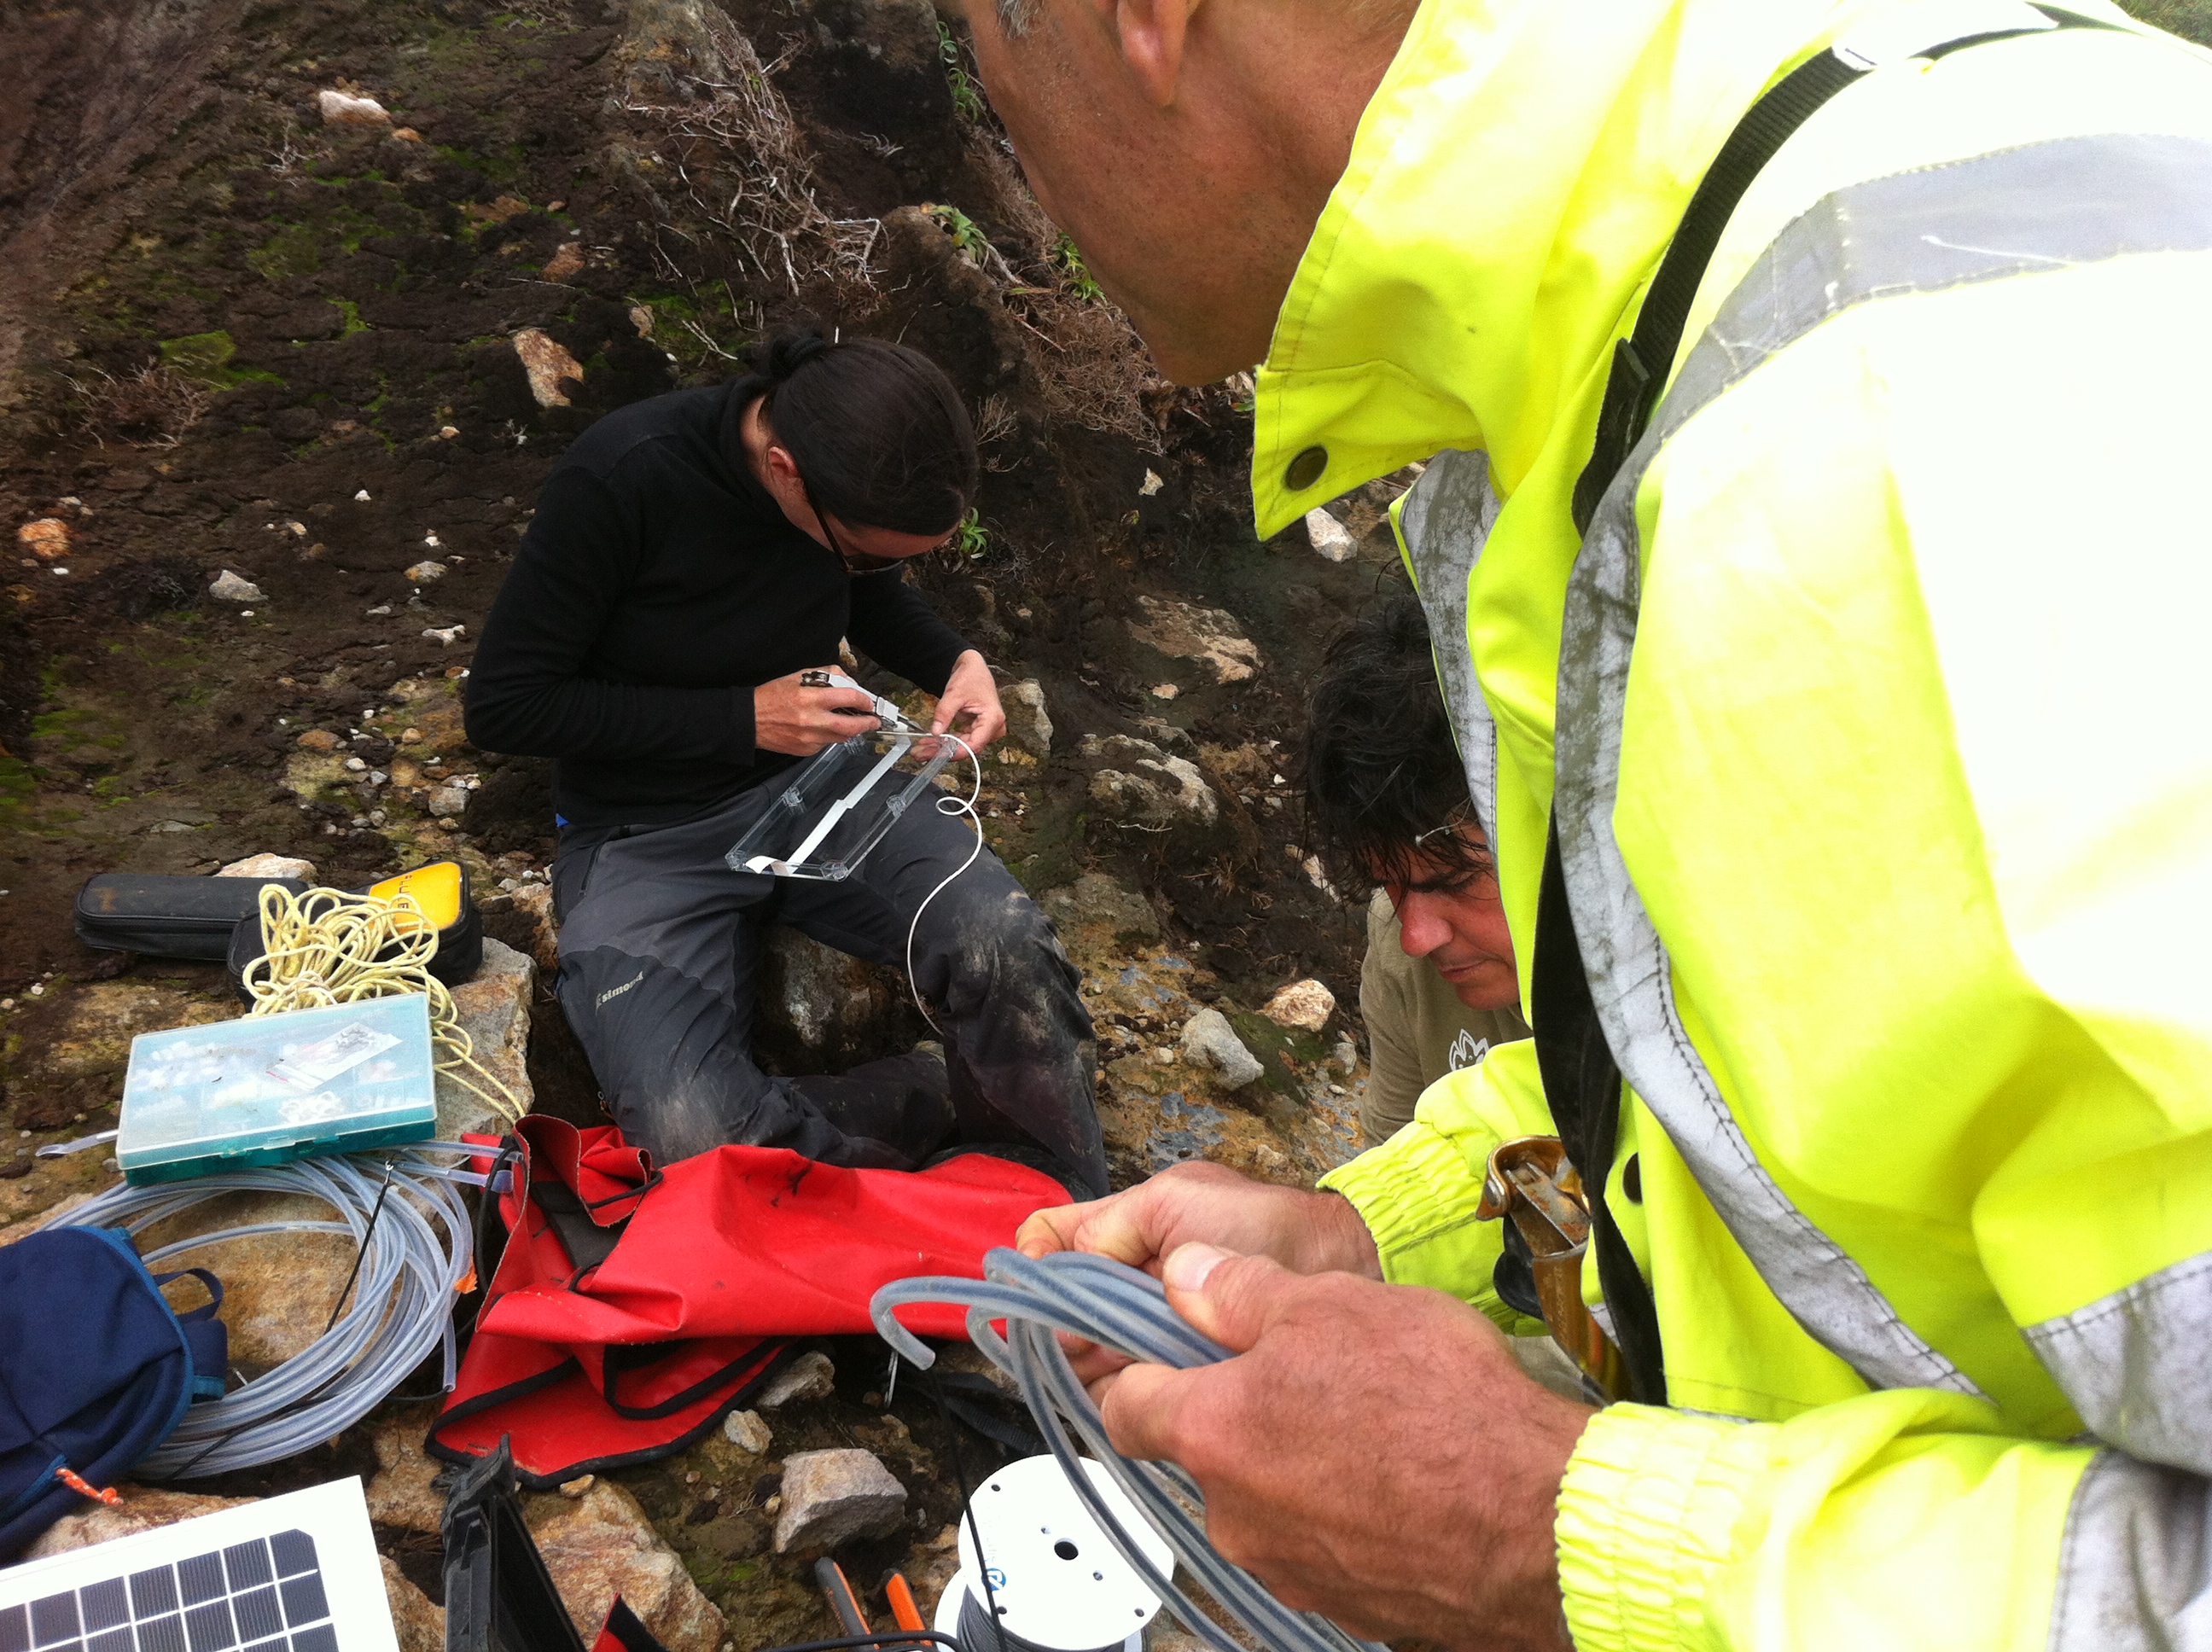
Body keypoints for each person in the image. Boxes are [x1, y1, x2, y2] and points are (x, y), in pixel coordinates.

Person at [950, 0, 2212, 1645]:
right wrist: (1360, 1227)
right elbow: (1755, 1066)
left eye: (983, 56)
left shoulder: (1889, 429)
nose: (1022, 171)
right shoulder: (1658, 328)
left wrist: (1558, 1537)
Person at [466, 327, 1105, 1196]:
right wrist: (745, 719)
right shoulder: (624, 475)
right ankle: (923, 1106)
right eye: (866, 552)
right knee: (691, 1134)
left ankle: (1061, 1205)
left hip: (822, 787)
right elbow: (506, 704)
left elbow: (869, 591)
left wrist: (956, 659)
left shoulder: (843, 476)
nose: (870, 569)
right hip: (645, 831)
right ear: (785, 472)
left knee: (1006, 946)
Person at [1303, 596, 1527, 1146]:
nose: (1416, 938)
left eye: (1455, 881)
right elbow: (1394, 1160)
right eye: (1389, 883)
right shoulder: (1400, 954)